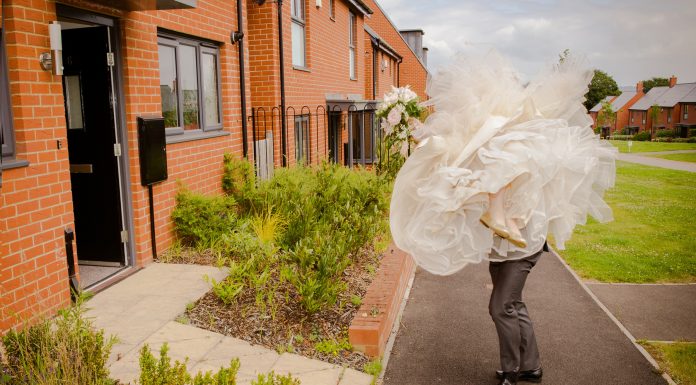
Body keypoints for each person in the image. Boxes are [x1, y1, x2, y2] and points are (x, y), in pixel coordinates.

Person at [388, 52, 617, 385]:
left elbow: (523, 175)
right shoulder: (480, 146)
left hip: (523, 243)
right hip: (502, 246)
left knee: (500, 307)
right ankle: (532, 366)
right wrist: (412, 126)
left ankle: (511, 371)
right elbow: (446, 147)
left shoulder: (517, 146)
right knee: (513, 304)